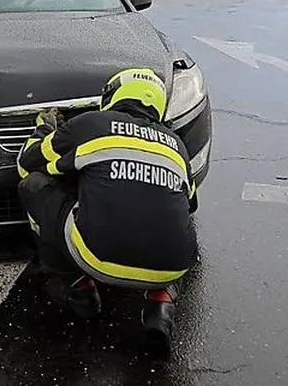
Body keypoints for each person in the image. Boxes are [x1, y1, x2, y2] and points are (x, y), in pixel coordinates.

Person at [17, 67, 199, 356]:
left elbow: (27, 163)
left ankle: (79, 290)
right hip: (172, 266)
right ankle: (161, 305)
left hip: (96, 258)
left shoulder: (91, 124)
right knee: (171, 222)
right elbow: (190, 204)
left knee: (33, 186)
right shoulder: (176, 145)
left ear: (114, 95)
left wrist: (44, 128)